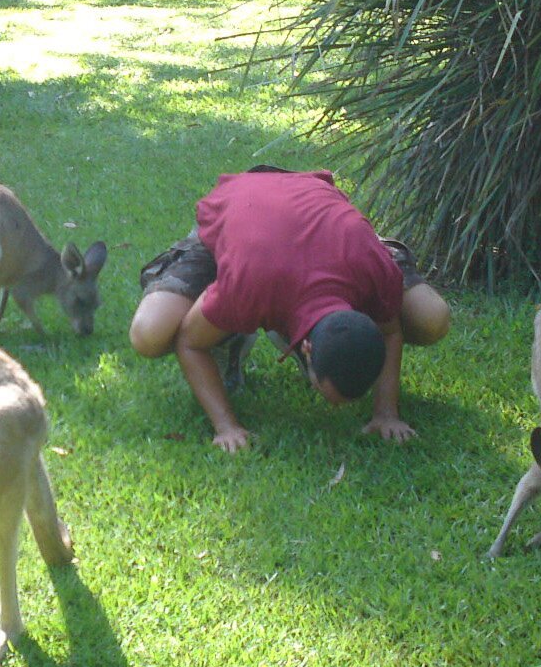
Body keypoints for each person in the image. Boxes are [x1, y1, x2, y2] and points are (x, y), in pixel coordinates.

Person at [128, 167, 451, 453]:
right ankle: (230, 337)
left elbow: (390, 329)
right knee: (149, 334)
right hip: (245, 212)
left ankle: (282, 320)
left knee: (432, 319)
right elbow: (191, 342)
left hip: (332, 233)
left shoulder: (374, 270)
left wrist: (386, 414)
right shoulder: (252, 282)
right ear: (308, 349)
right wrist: (227, 427)